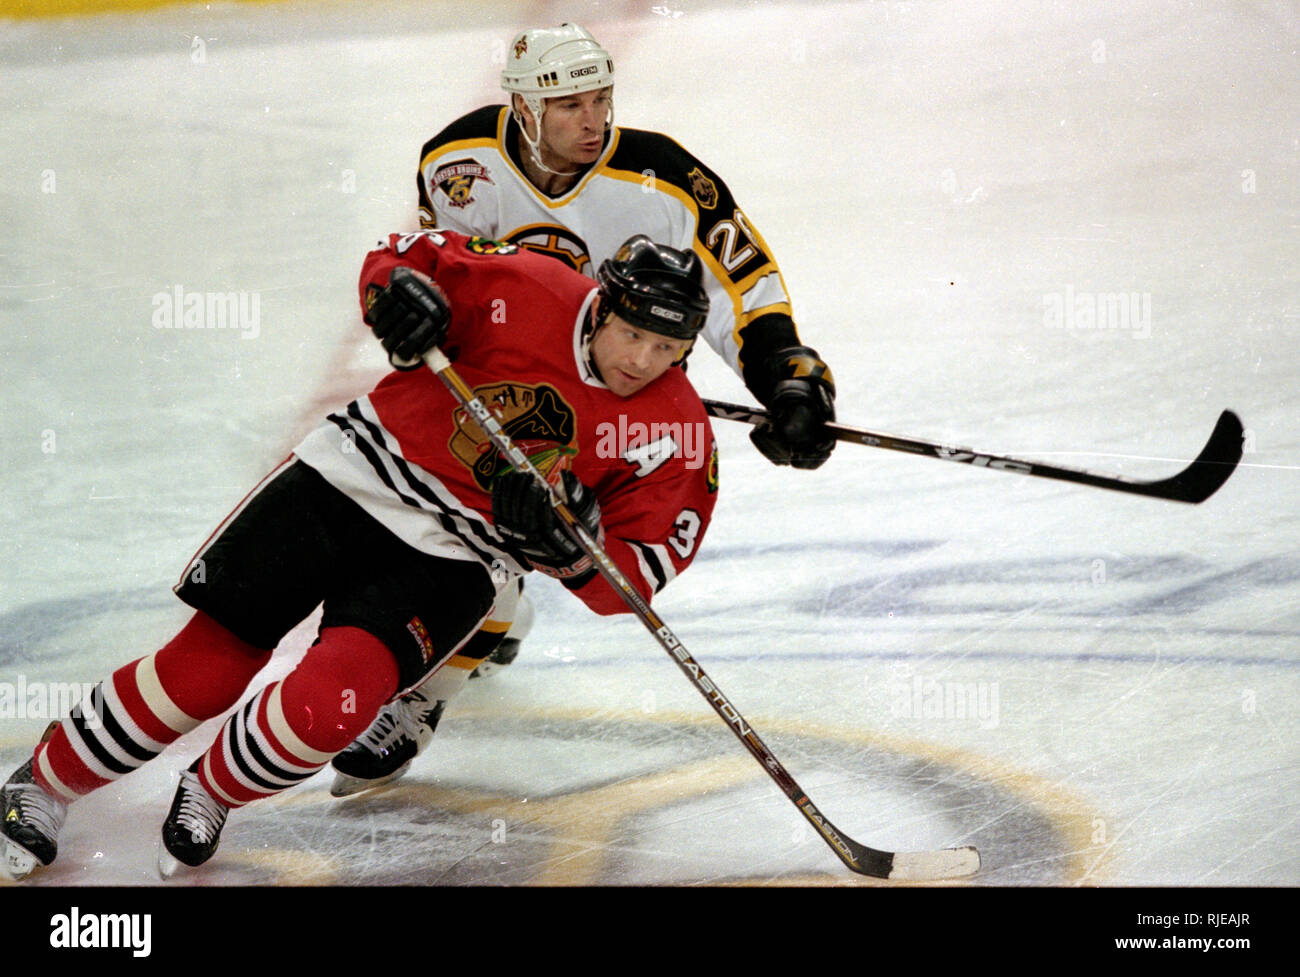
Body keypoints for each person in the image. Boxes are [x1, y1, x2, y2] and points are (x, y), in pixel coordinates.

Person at [0, 229, 718, 878]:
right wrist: (398, 301)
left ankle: (212, 787)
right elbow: (401, 256)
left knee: (327, 709)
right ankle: (42, 781)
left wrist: (572, 549)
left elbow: (629, 579)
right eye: (632, 335)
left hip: (459, 553)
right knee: (205, 670)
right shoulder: (529, 286)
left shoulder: (676, 433)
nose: (641, 361)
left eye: (667, 349)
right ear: (601, 307)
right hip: (352, 472)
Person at [328, 22, 837, 795]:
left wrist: (786, 375)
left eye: (602, 100)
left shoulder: (663, 176)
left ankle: (487, 619)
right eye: (570, 106)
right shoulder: (459, 164)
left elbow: (745, 284)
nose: (595, 121)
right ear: (526, 108)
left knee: (538, 530)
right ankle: (435, 685)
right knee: (474, 516)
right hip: (510, 387)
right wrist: (413, 321)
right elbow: (452, 278)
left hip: (617, 402)